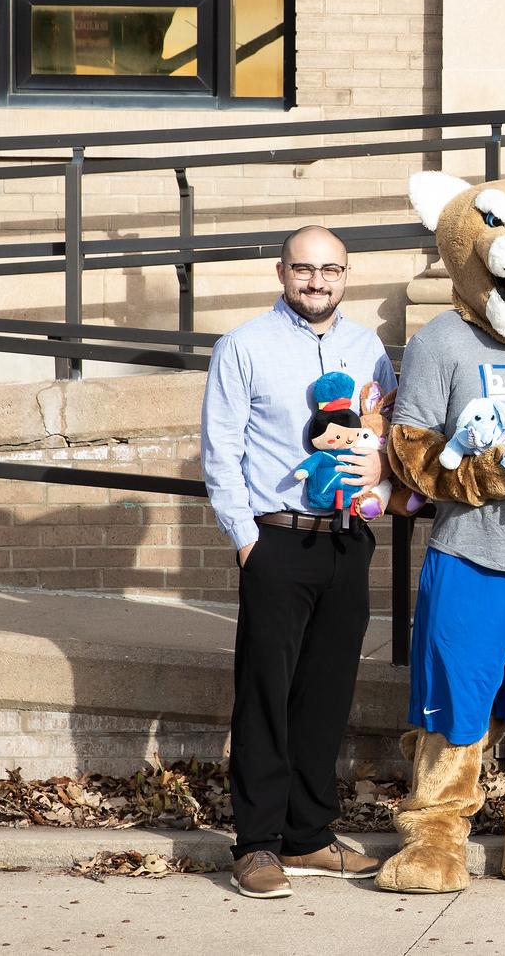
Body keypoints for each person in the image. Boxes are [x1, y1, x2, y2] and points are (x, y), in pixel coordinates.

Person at [200, 226, 393, 898]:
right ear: (282, 271)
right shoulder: (244, 346)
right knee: (265, 693)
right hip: (275, 540)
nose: (317, 281)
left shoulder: (368, 348)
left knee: (327, 694)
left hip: (346, 540)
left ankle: (308, 836)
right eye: (304, 269)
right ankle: (255, 844)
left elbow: (387, 437)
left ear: (346, 275)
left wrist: (382, 499)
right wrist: (245, 537)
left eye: (330, 270)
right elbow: (219, 448)